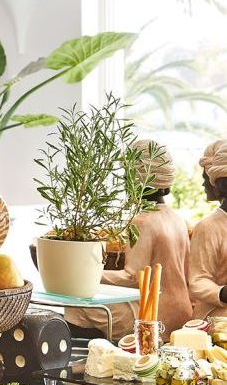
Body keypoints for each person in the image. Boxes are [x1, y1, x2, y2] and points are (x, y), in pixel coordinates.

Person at [66, 140, 191, 339]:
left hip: (151, 315)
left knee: (75, 299)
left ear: (136, 179)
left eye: (127, 175)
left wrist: (84, 274)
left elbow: (133, 278)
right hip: (183, 313)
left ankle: (89, 352)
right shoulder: (178, 220)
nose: (124, 182)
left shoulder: (142, 221)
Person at [189, 140, 227, 319]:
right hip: (215, 320)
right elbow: (197, 281)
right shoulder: (208, 227)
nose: (204, 185)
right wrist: (222, 293)